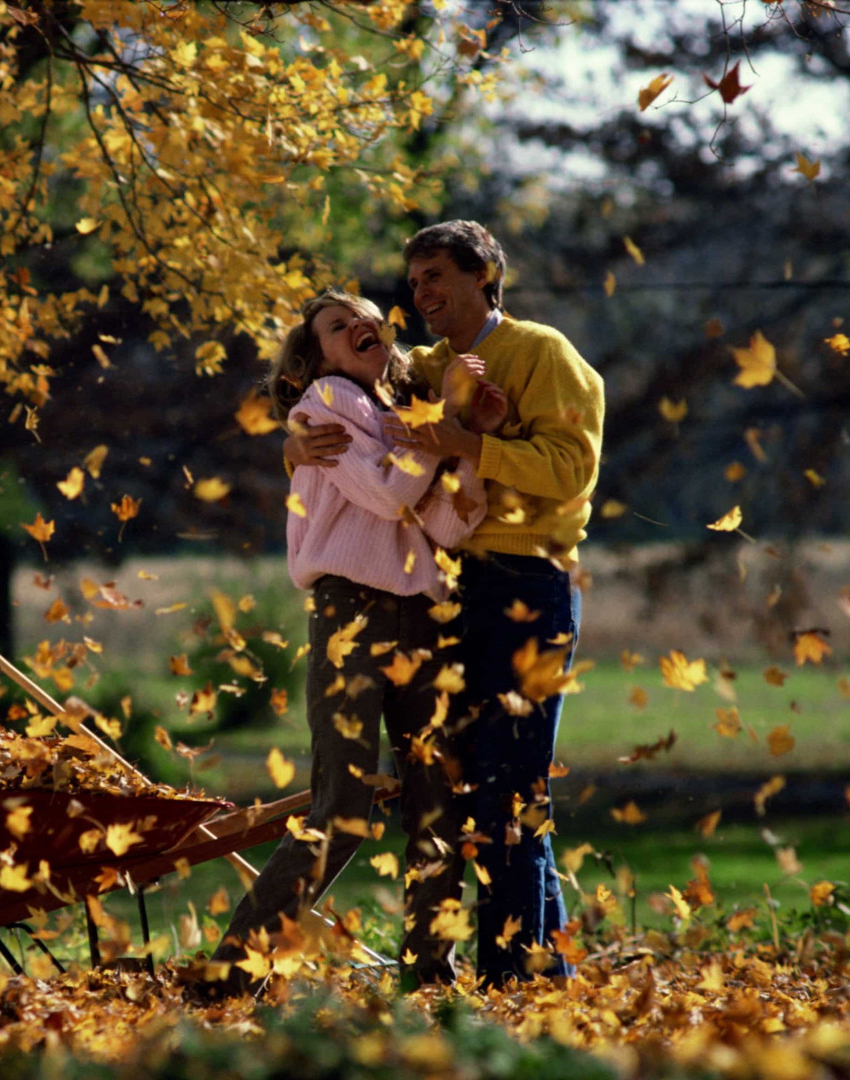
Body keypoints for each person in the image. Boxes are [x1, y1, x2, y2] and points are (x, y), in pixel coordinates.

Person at [285, 221, 604, 987]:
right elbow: (342, 411)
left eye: (437, 277)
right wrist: (292, 444)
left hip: (528, 581)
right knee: (475, 786)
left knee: (513, 787)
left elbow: (569, 469)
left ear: (485, 272)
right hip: (450, 591)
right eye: (416, 280)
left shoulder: (541, 352)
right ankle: (529, 972)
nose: (422, 294)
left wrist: (465, 443)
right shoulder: (423, 366)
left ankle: (516, 978)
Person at [203, 288, 510, 998]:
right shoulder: (327, 401)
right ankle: (230, 970)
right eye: (339, 327)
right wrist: (445, 425)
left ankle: (431, 976)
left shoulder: (407, 413)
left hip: (423, 616)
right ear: (315, 358)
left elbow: (453, 525)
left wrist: (461, 439)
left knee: (438, 801)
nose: (360, 326)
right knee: (341, 805)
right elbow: (386, 497)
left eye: (368, 316)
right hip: (351, 614)